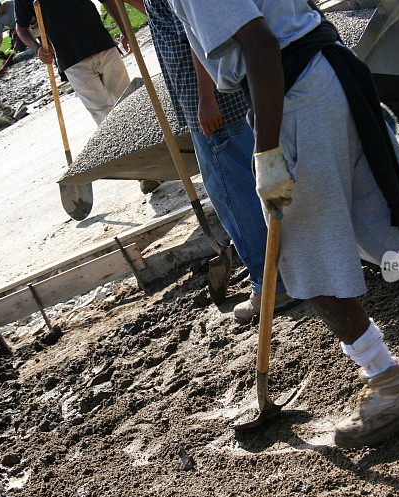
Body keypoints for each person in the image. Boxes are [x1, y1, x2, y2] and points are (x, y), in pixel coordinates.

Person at [168, 0, 399, 447]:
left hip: (293, 91)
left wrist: (266, 152)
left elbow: (261, 43)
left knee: (305, 262)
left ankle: (388, 384)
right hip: (329, 73)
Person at [122, 0, 293, 322]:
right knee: (247, 185)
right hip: (220, 100)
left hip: (215, 107)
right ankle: (285, 271)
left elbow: (196, 33)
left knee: (233, 195)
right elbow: (166, 17)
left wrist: (206, 97)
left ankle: (273, 285)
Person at [14, 0, 133, 125]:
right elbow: (21, 27)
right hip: (71, 60)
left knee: (127, 99)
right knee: (103, 114)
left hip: (102, 45)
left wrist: (124, 30)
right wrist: (37, 48)